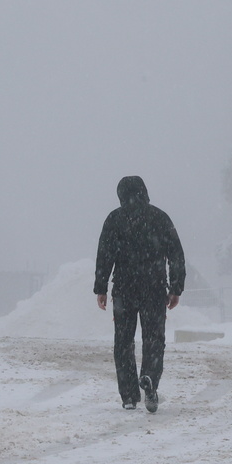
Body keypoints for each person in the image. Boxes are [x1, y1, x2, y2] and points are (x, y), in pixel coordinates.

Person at [94, 176, 185, 412]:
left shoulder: (115, 219)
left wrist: (101, 288)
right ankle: (150, 378)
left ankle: (128, 395)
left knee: (123, 342)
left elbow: (104, 255)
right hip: (154, 288)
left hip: (124, 289)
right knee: (154, 339)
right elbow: (176, 254)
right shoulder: (160, 217)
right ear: (144, 192)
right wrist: (175, 288)